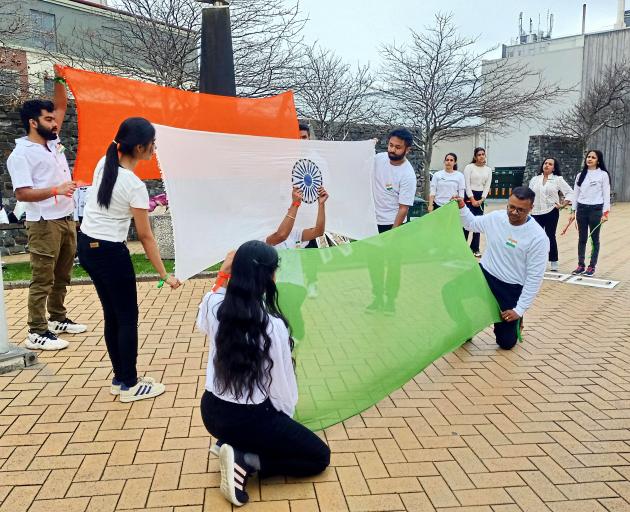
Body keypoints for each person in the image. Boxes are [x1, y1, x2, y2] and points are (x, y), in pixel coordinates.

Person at [198, 243, 330, 507]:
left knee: (267, 431)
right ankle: (245, 460)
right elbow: (282, 389)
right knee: (319, 457)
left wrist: (222, 275)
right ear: (270, 277)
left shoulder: (214, 305)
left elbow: (202, 320)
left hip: (211, 412)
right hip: (249, 419)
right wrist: (284, 423)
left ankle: (232, 443)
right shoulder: (272, 326)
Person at [78, 117, 180, 403]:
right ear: (139, 147)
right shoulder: (134, 184)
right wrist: (164, 275)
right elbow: (146, 237)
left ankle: (121, 377)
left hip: (87, 247)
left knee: (113, 315)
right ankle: (130, 386)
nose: (154, 149)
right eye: (152, 144)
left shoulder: (104, 163)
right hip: (109, 252)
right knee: (126, 319)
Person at [7, 78, 87, 351]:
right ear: (33, 122)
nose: (55, 123)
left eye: (55, 119)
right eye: (49, 119)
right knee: (43, 277)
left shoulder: (52, 143)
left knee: (63, 274)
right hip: (42, 223)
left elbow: (62, 105)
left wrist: (61, 78)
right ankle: (36, 331)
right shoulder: (21, 154)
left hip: (66, 218)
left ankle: (58, 318)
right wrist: (57, 189)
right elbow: (22, 193)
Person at [454, 187, 548, 350]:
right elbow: (471, 224)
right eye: (511, 207)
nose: (514, 212)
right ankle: (466, 327)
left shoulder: (538, 238)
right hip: (484, 274)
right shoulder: (496, 218)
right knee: (450, 291)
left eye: (520, 210)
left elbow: (534, 278)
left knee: (506, 343)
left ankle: (517, 323)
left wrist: (519, 310)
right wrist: (462, 206)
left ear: (531, 209)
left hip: (511, 286)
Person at [265, 186, 328, 336]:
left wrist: (321, 204)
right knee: (286, 324)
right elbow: (281, 235)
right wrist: (295, 204)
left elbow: (318, 231)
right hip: (275, 288)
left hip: (296, 287)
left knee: (290, 323)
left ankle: (288, 345)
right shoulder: (263, 236)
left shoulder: (294, 232)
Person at [367, 128, 416, 314]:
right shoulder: (379, 159)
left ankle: (390, 302)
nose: (392, 150)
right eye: (390, 145)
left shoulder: (408, 175)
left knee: (393, 264)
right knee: (374, 263)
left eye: (398, 147)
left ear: (407, 150)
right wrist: (367, 147)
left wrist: (393, 234)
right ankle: (378, 297)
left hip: (393, 225)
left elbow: (403, 208)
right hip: (373, 222)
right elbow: (360, 162)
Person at [569, 150, 611, 277]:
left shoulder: (603, 175)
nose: (590, 159)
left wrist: (605, 213)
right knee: (582, 238)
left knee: (594, 239)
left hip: (596, 210)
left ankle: (591, 266)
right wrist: (573, 211)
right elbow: (576, 194)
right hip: (582, 209)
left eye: (593, 157)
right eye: (588, 157)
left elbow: (606, 194)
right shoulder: (580, 175)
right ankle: (580, 265)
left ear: (598, 160)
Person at [529, 157, 573, 271]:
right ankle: (536, 261)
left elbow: (570, 192)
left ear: (554, 168)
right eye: (545, 163)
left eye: (550, 164)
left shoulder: (557, 179)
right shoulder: (534, 179)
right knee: (536, 238)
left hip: (551, 211)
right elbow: (528, 194)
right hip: (535, 212)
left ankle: (553, 261)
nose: (546, 165)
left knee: (550, 236)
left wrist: (563, 204)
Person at [463, 147, 492, 257]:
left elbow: (487, 185)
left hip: (480, 198)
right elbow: (467, 184)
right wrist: (472, 199)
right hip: (469, 196)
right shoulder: (469, 167)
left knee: (478, 223)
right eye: (479, 154)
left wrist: (482, 199)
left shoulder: (488, 170)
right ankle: (463, 247)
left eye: (483, 154)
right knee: (466, 223)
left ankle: (475, 248)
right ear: (475, 157)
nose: (481, 156)